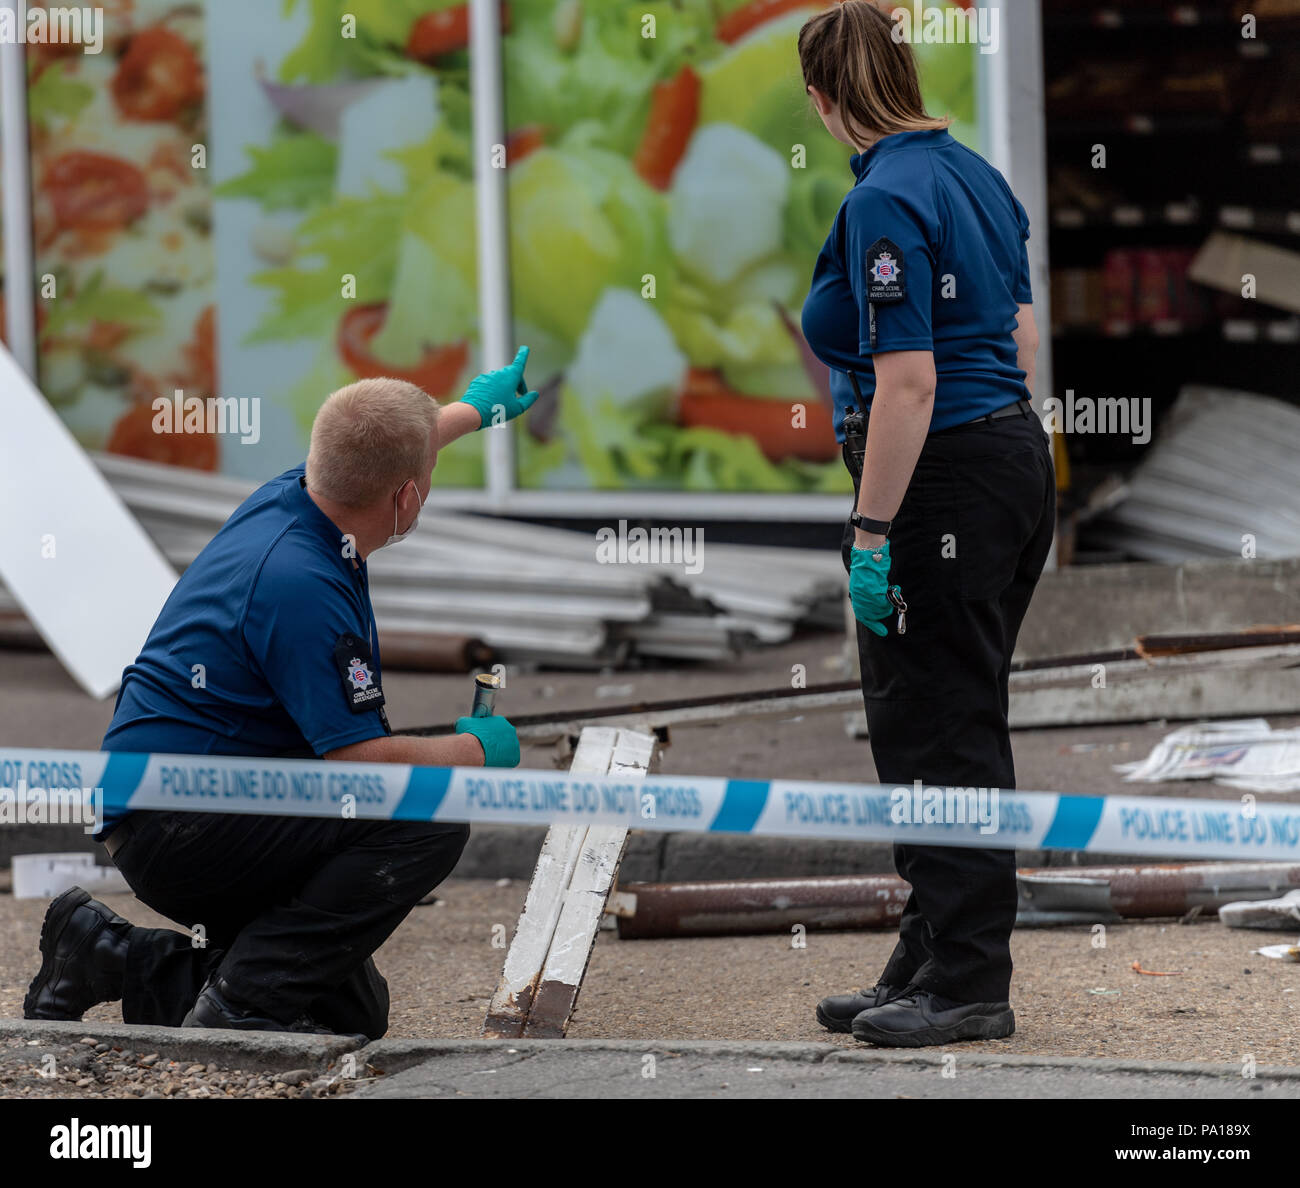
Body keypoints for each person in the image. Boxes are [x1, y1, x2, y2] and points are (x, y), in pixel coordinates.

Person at [23, 351, 539, 1038]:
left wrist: (476, 409)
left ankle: (106, 956)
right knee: (428, 817)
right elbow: (356, 764)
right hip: (181, 826)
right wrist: (473, 750)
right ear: (407, 499)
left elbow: (381, 452)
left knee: (343, 1013)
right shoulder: (303, 586)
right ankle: (234, 1014)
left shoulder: (298, 494)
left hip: (186, 797)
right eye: (427, 478)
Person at [798, 2, 1055, 1047]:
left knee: (935, 729)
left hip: (936, 481)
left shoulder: (885, 198)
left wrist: (870, 529)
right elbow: (1021, 335)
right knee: (950, 714)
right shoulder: (976, 175)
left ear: (822, 99)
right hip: (1004, 461)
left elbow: (906, 381)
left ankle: (967, 986)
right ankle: (929, 955)